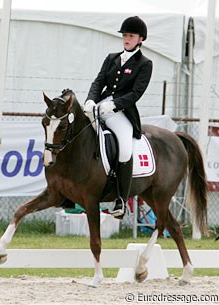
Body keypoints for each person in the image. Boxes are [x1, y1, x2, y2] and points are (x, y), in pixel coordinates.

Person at [84, 16, 153, 219]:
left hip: (122, 112)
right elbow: (98, 82)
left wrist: (114, 104)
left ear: (140, 39)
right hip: (99, 106)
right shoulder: (112, 57)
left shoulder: (145, 64)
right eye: (124, 35)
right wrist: (90, 100)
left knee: (124, 147)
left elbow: (136, 93)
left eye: (130, 36)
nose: (126, 39)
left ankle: (121, 200)